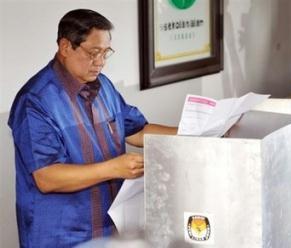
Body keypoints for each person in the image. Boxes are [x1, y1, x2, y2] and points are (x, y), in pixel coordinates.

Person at [8, 9, 177, 247]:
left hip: (109, 228)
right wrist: (114, 168)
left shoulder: (103, 86)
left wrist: (195, 133)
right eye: (93, 53)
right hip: (61, 236)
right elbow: (47, 177)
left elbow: (137, 130)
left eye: (106, 53)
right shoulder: (35, 101)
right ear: (65, 47)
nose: (101, 62)